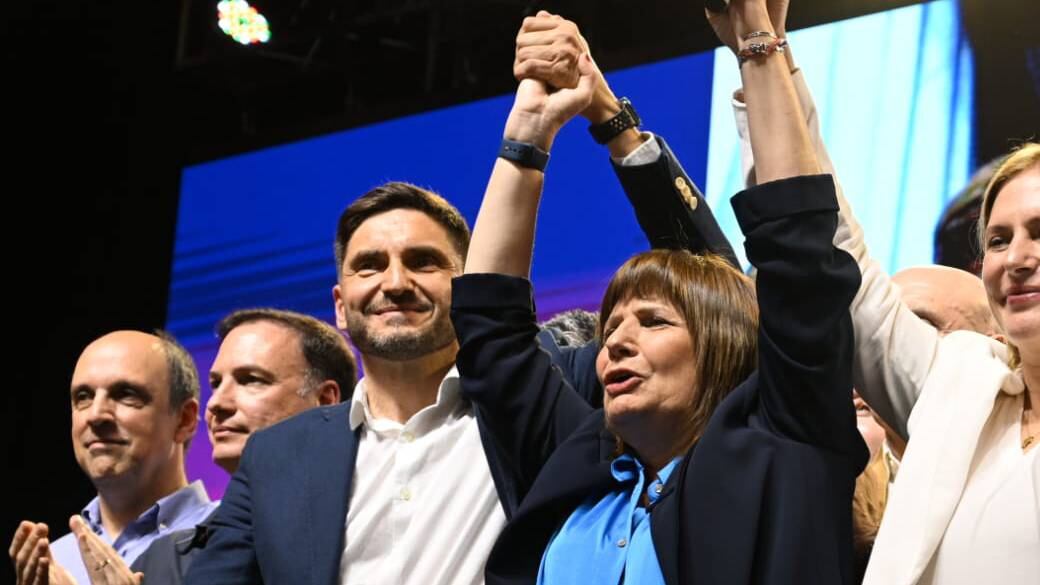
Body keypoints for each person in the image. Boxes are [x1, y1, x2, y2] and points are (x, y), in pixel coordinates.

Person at [185, 14, 742, 585]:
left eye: (424, 262)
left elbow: (714, 303)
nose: (395, 282)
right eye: (369, 265)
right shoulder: (278, 455)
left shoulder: (563, 387)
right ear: (338, 301)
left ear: (470, 281)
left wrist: (612, 121)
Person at [450, 2, 866, 584]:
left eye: (653, 322)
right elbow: (492, 335)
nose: (615, 341)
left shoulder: (782, 445)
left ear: (723, 345)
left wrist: (756, 40)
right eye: (612, 325)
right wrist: (529, 132)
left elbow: (799, 251)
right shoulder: (575, 462)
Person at [725, 3, 1039, 582]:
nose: (1016, 259)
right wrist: (762, 50)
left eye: (1038, 233)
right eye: (998, 240)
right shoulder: (964, 385)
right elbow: (831, 256)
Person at [64, 309, 357, 585]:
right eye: (216, 384)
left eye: (250, 380)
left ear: (326, 402)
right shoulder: (163, 558)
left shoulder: (369, 517)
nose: (217, 403)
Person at [9, 331, 216, 585]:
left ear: (183, 419)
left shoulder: (233, 536)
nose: (96, 415)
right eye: (83, 397)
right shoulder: (53, 559)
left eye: (126, 394)